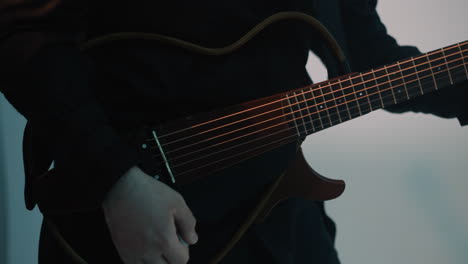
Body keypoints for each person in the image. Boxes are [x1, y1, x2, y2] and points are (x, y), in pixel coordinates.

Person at [1, 0, 467, 263]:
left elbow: (368, 59)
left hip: (277, 216)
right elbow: (21, 31)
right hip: (130, 219)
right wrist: (117, 180)